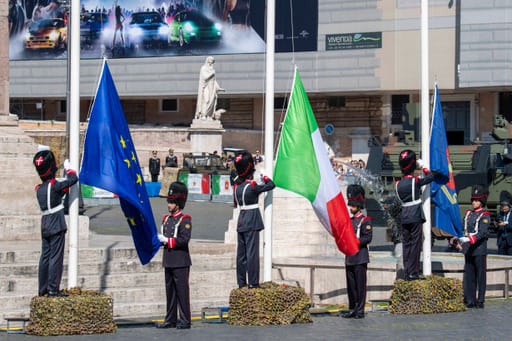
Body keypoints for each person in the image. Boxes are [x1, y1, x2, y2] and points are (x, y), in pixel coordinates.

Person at [33, 146, 78, 297]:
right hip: (56, 223)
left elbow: (59, 192)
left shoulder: (39, 188)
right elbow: (72, 179)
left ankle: (43, 288)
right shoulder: (54, 185)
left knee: (45, 257)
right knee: (55, 257)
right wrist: (69, 170)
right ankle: (53, 288)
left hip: (45, 223)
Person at [233, 151, 275, 288]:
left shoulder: (238, 187)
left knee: (241, 255)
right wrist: (265, 177)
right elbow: (271, 185)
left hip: (242, 219)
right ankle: (253, 282)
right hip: (251, 219)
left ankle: (241, 282)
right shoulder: (251, 186)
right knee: (252, 253)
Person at [155, 181, 192, 329]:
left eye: (171, 202)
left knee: (182, 292)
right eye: (168, 202)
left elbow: (184, 239)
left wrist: (167, 241)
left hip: (180, 261)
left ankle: (185, 320)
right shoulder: (166, 219)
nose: (169, 205)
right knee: (170, 292)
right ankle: (170, 319)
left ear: (178, 203)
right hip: (169, 260)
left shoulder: (185, 219)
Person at [395, 149, 434, 281]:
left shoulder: (397, 184)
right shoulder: (415, 181)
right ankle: (413, 272)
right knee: (415, 245)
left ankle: (407, 272)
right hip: (415, 214)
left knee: (406, 245)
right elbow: (430, 177)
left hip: (404, 215)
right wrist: (423, 167)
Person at [457, 185, 490, 309]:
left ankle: (480, 300)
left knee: (480, 276)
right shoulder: (468, 214)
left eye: (477, 200)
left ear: (482, 202)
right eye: (473, 200)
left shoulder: (485, 215)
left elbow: (483, 232)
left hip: (479, 249)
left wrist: (470, 239)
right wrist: (458, 238)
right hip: (469, 249)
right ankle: (470, 299)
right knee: (469, 275)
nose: (474, 202)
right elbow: (463, 228)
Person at [343, 184, 372, 319]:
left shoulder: (365, 220)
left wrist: (354, 241)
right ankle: (352, 308)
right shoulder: (349, 221)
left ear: (359, 206)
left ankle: (360, 309)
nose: (351, 208)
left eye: (353, 206)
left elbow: (367, 238)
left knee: (360, 286)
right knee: (351, 286)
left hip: (360, 257)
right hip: (350, 257)